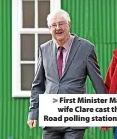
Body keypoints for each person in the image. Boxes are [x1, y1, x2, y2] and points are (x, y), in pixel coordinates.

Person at [27, 9, 106, 139]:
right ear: (49, 28)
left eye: (61, 23)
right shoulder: (43, 49)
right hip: (51, 115)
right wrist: (33, 112)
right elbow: (38, 84)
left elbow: (98, 84)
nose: (58, 28)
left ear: (69, 24)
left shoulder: (86, 48)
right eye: (54, 25)